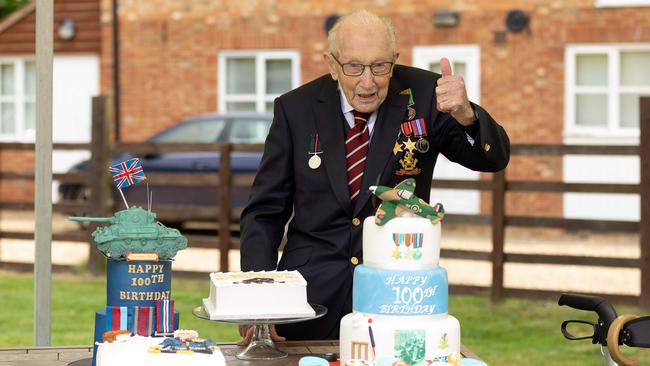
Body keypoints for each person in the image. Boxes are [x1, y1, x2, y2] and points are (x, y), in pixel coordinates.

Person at [238, 9, 509, 342]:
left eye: (380, 66)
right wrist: (256, 302)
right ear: (332, 64)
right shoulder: (295, 109)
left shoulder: (426, 95)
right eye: (354, 67)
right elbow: (264, 213)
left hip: (396, 298)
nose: (368, 81)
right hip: (309, 296)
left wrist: (466, 115)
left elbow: (493, 159)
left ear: (394, 61)